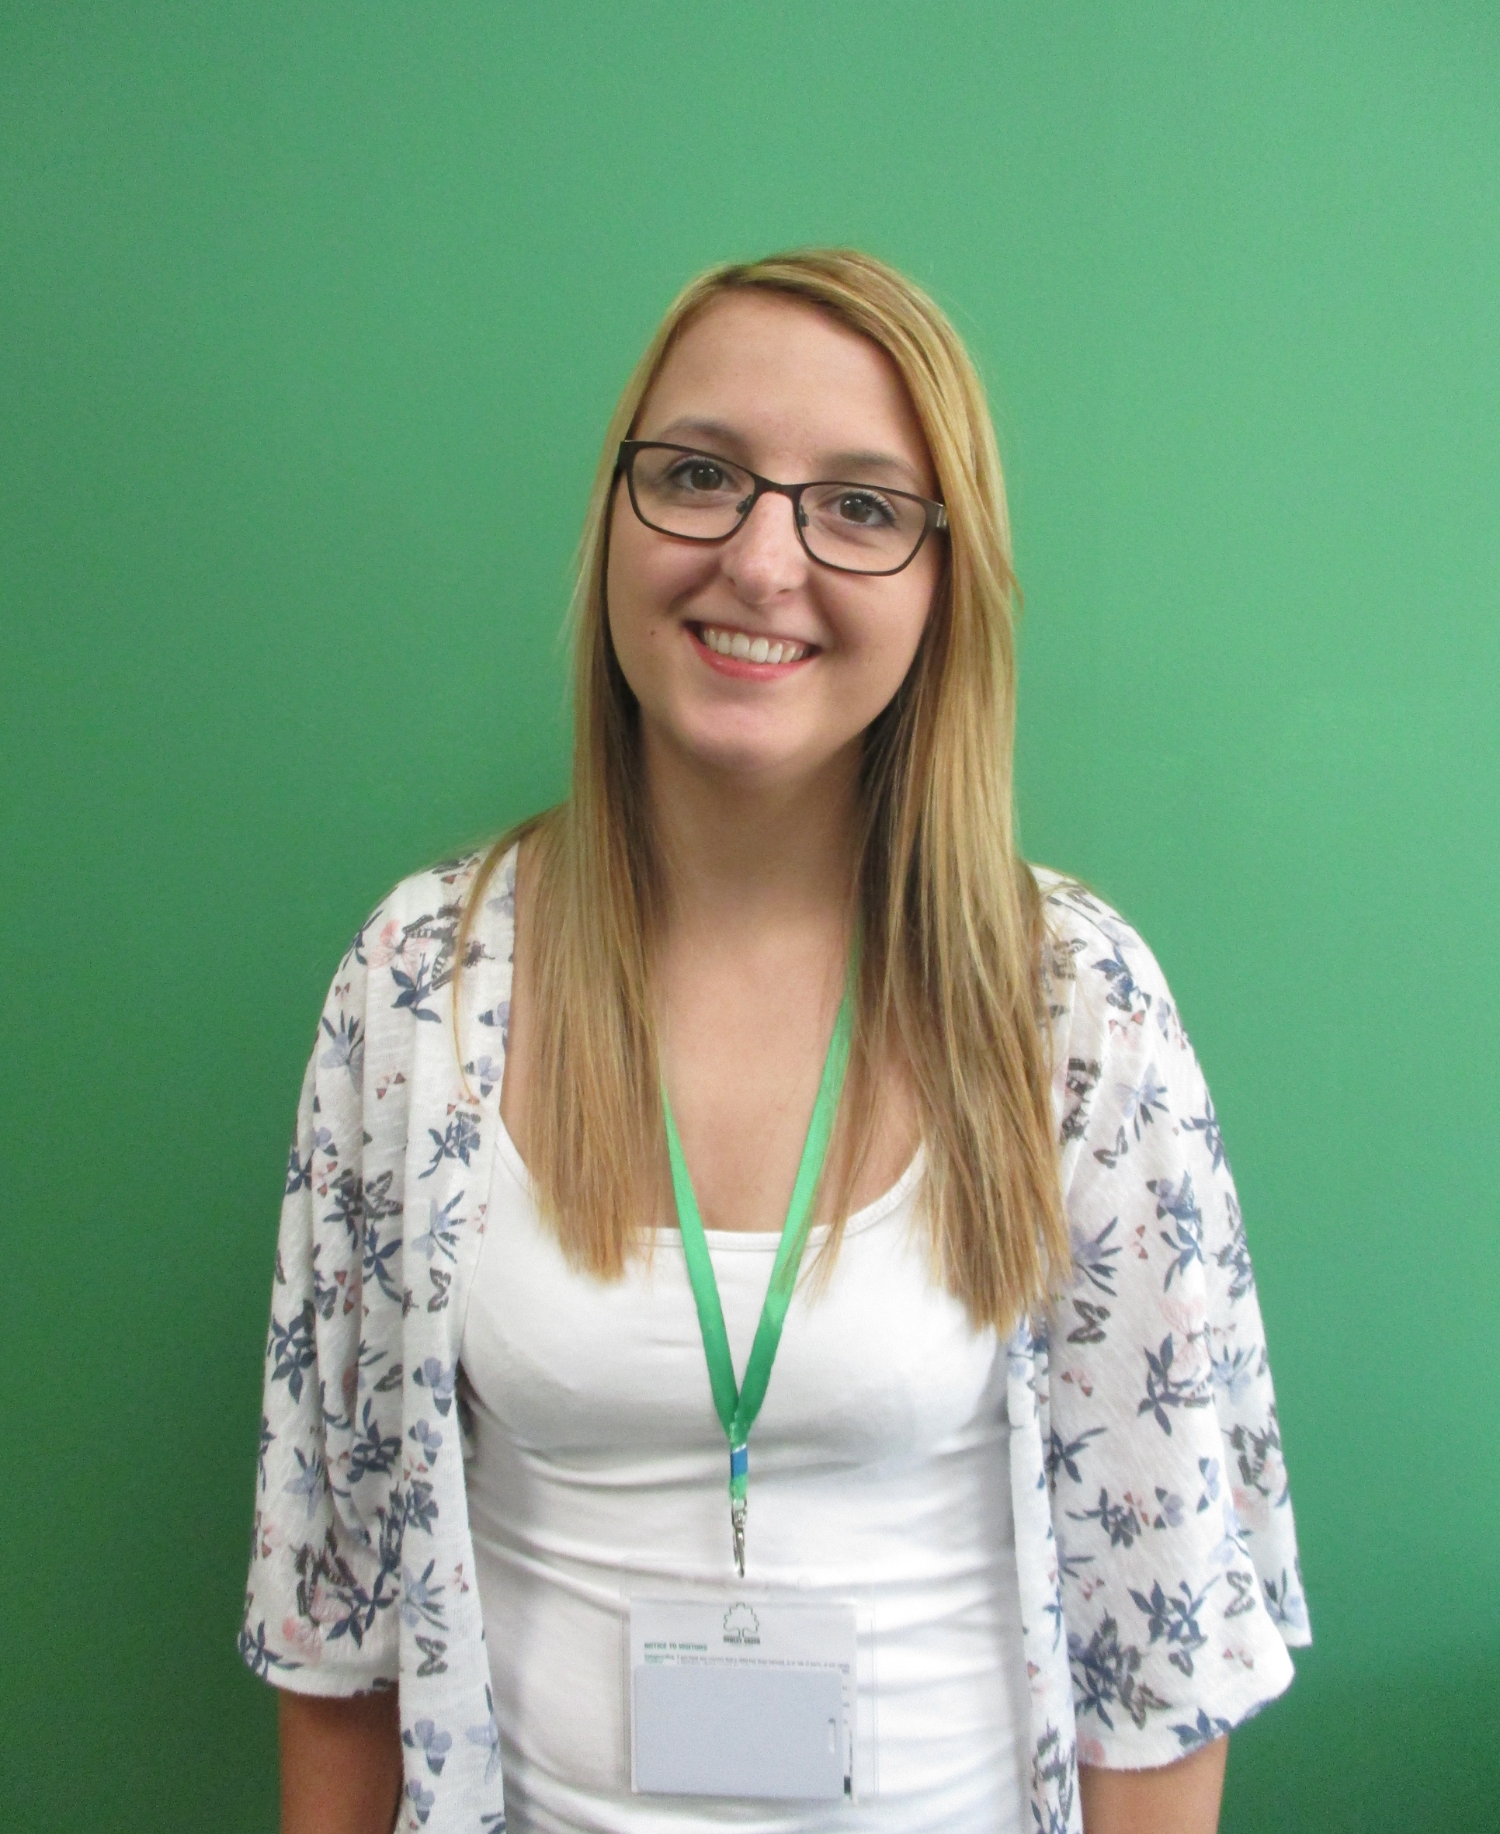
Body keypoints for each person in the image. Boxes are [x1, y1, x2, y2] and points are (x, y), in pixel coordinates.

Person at [242, 249, 1310, 1834]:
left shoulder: (1070, 1004)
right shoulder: (423, 982)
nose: (759, 560)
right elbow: (338, 1623)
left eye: (859, 507)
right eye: (699, 475)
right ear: (617, 516)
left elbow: (1162, 1659)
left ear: (945, 580)